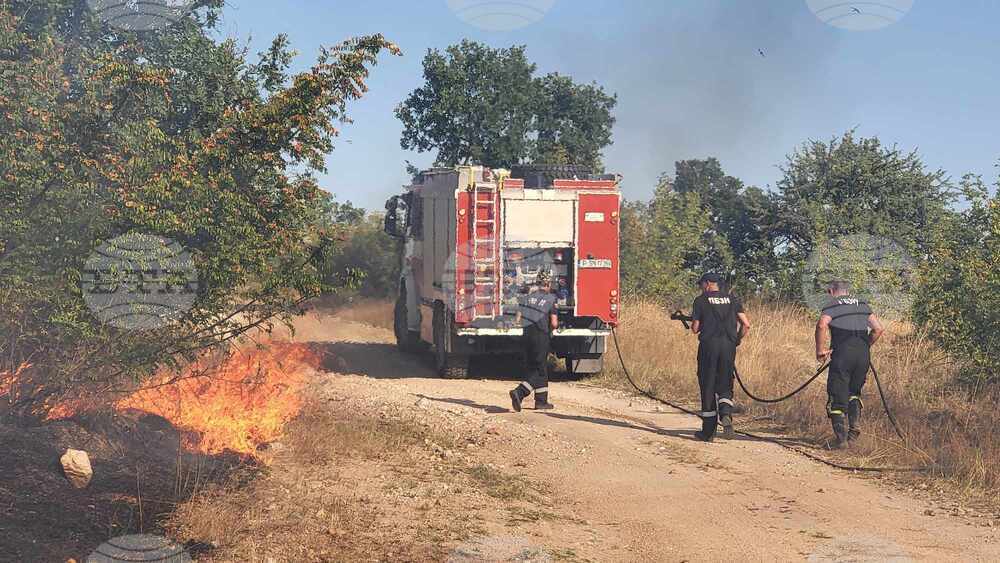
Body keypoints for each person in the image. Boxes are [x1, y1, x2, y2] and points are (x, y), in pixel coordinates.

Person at [815, 280, 885, 448]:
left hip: (842, 355)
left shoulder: (832, 305)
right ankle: (853, 430)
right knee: (854, 392)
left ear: (831, 291)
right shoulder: (862, 304)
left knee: (837, 396)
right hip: (863, 355)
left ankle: (841, 440)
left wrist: (820, 350)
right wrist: (864, 345)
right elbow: (878, 329)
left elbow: (821, 325)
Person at [690, 272, 751, 441]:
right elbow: (746, 324)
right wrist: (736, 340)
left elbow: (695, 328)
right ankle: (726, 414)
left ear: (708, 283)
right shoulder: (733, 299)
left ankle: (708, 432)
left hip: (708, 347)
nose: (700, 287)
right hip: (728, 347)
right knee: (725, 382)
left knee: (708, 385)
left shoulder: (700, 300)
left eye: (701, 284)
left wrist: (699, 322)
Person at [510, 270, 559, 412]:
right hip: (541, 337)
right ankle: (519, 392)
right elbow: (554, 323)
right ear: (548, 284)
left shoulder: (527, 298)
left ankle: (541, 401)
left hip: (527, 336)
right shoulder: (551, 299)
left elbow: (517, 319)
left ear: (538, 283)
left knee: (538, 368)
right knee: (538, 369)